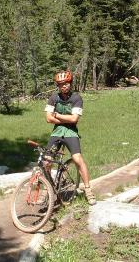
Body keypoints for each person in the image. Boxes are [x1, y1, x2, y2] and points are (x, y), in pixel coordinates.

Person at [44, 70, 96, 205]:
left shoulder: (77, 98)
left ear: (70, 83)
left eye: (66, 83)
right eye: (61, 84)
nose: (64, 86)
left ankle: (88, 189)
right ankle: (49, 188)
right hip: (56, 133)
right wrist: (64, 119)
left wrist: (57, 115)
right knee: (46, 162)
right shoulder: (53, 98)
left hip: (71, 133)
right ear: (58, 85)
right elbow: (48, 119)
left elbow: (74, 119)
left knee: (77, 158)